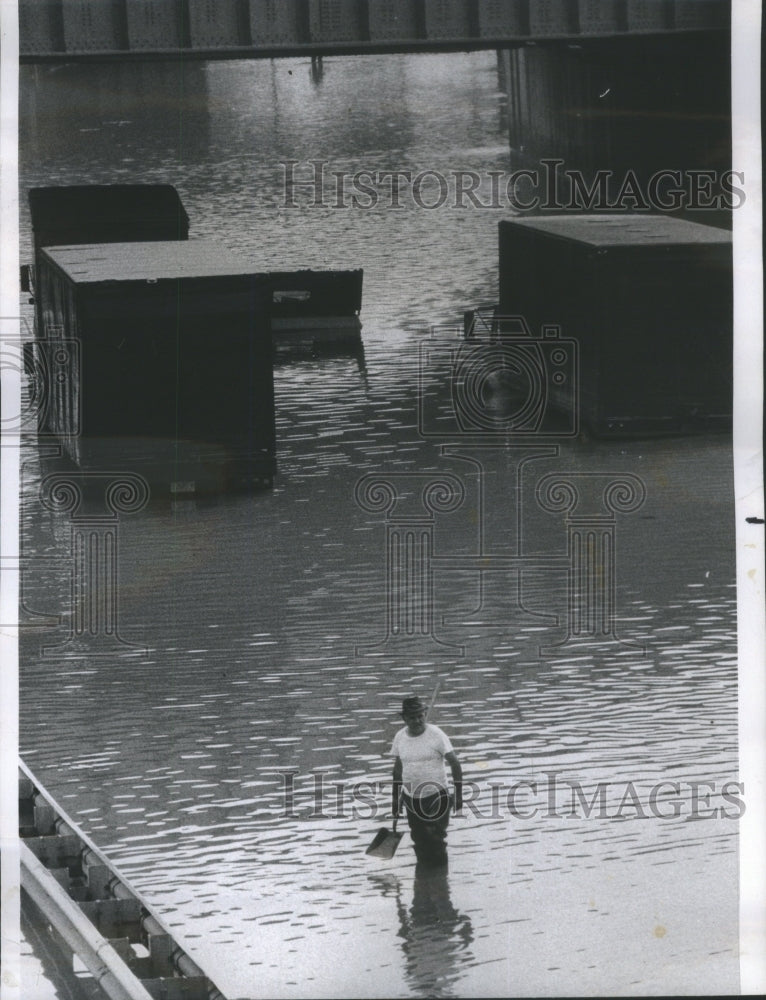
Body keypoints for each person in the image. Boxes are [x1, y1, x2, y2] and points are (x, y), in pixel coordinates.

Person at [391, 695, 463, 866]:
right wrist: (395, 800)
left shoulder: (436, 734)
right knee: (419, 838)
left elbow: (455, 764)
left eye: (420, 716)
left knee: (435, 838)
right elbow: (397, 770)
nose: (417, 721)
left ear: (425, 714)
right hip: (411, 797)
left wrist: (458, 796)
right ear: (404, 718)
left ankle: (440, 884)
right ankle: (424, 877)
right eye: (412, 717)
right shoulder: (400, 737)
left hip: (437, 795)